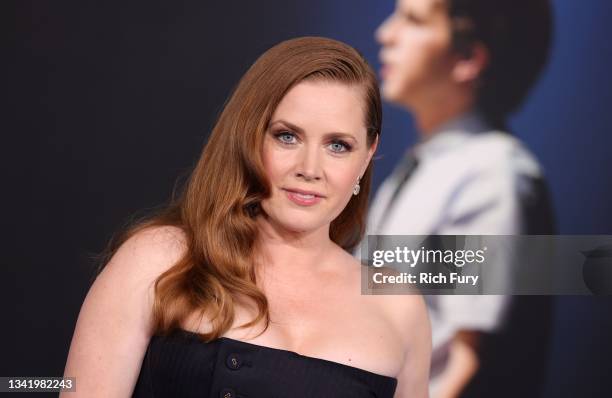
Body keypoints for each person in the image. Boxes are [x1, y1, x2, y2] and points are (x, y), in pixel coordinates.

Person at [62, 37, 431, 398]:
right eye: (287, 137)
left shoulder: (397, 307)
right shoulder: (159, 259)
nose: (310, 168)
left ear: (368, 154)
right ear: (249, 138)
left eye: (338, 145)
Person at [369, 0, 555, 397]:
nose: (385, 34)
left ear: (469, 56)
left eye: (413, 20)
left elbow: (468, 365)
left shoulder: (494, 175)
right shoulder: (426, 167)